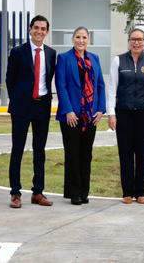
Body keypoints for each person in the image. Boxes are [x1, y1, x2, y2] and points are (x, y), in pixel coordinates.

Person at [5, 15, 57, 209]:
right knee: (17, 149)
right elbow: (10, 79)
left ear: (47, 32)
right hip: (22, 107)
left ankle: (38, 192)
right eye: (36, 28)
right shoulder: (18, 52)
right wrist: (19, 98)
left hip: (42, 106)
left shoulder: (51, 53)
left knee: (40, 150)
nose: (39, 32)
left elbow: (48, 78)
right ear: (30, 29)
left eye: (43, 29)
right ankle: (15, 192)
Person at [107, 28, 144, 204]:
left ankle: (141, 192)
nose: (136, 43)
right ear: (129, 41)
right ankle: (127, 192)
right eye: (133, 39)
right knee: (125, 152)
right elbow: (112, 88)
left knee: (143, 152)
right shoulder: (119, 60)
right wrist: (111, 113)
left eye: (139, 40)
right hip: (124, 112)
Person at [55, 27, 106, 206]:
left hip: (90, 115)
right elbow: (61, 85)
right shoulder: (64, 58)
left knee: (86, 154)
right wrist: (68, 110)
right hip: (71, 116)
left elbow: (100, 85)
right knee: (72, 154)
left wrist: (101, 109)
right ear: (73, 39)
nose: (81, 40)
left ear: (88, 40)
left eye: (84, 37)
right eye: (78, 37)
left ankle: (84, 192)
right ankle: (74, 193)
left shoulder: (95, 59)